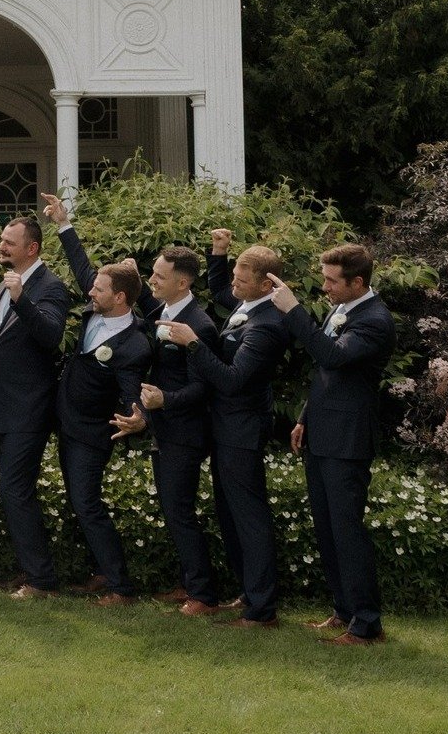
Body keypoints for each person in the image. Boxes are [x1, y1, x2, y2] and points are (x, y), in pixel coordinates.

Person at [162, 235, 290, 627]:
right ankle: (247, 593)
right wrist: (219, 254)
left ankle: (262, 610)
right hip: (225, 429)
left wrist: (194, 344)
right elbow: (220, 288)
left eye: (241, 278)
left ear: (267, 285)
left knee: (249, 519)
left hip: (242, 431)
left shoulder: (267, 326)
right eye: (234, 274)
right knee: (229, 515)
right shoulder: (247, 306)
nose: (232, 284)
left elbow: (233, 380)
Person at [273, 243, 396, 645]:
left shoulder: (375, 320)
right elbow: (327, 372)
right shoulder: (342, 308)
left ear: (357, 282)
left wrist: (293, 310)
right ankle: (343, 610)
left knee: (347, 531)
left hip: (347, 441)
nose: (324, 286)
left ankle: (366, 624)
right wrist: (305, 417)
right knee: (327, 529)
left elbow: (332, 355)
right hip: (322, 433)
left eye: (331, 280)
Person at [42, 221, 153, 604]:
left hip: (91, 435)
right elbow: (83, 268)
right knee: (79, 502)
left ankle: (121, 588)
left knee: (88, 504)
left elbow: (130, 390)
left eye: (99, 289)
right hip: (67, 424)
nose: (90, 290)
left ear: (120, 298)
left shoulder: (134, 344)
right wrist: (63, 225)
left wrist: (139, 417)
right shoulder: (95, 312)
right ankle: (102, 573)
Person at [124, 240, 225, 614]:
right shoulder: (164, 311)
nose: (151, 280)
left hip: (186, 432)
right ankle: (189, 583)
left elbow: (202, 387)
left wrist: (166, 400)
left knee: (179, 508)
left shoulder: (199, 326)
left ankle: (204, 595)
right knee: (171, 506)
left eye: (159, 276)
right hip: (163, 428)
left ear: (182, 284)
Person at [0, 214, 69, 599]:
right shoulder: (7, 285)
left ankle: (40, 580)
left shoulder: (50, 287)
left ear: (32, 248)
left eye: (9, 242)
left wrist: (21, 300)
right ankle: (30, 572)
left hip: (30, 408)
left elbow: (50, 336)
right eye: (1, 240)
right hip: (3, 406)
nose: (1, 246)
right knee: (12, 489)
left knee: (15, 489)